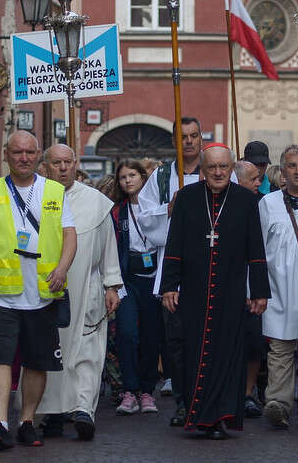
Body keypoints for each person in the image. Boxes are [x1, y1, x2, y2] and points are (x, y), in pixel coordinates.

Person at [0, 131, 76, 450]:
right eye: (17, 152)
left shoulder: (54, 190)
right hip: (0, 292)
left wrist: (63, 268)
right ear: (6, 155)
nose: (23, 157)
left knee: (37, 361)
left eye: (29, 152)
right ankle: (0, 423)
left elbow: (69, 235)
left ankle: (26, 420)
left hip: (41, 292)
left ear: (38, 155)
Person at [160, 143, 270, 439]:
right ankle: (197, 413)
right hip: (194, 290)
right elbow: (174, 245)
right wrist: (169, 285)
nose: (218, 172)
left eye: (224, 167)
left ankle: (220, 415)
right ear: (203, 171)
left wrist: (260, 291)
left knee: (228, 353)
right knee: (195, 352)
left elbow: (256, 249)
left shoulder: (247, 200)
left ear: (231, 168)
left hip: (231, 289)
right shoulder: (186, 198)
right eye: (212, 168)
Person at [36, 144, 122, 440]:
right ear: (44, 165)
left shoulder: (96, 202)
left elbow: (109, 247)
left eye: (68, 162)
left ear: (76, 164)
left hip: (88, 287)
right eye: (56, 162)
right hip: (47, 291)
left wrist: (112, 285)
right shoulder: (36, 197)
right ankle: (54, 413)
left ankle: (84, 408)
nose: (63, 168)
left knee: (88, 352)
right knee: (53, 353)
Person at [135, 116, 212, 425]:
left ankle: (208, 397)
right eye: (184, 137)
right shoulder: (164, 177)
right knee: (177, 343)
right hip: (175, 272)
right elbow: (144, 216)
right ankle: (183, 401)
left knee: (207, 340)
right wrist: (168, 209)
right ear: (174, 142)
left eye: (194, 135)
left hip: (209, 268)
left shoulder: (215, 171)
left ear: (201, 139)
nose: (189, 141)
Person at [258, 145, 298, 429]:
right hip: (279, 288)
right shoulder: (268, 204)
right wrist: (257, 289)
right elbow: (258, 248)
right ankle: (279, 403)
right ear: (282, 171)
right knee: (280, 350)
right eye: (292, 166)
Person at [112, 160, 163, 416]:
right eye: (122, 177)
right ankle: (129, 389)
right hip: (127, 277)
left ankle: (147, 391)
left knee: (151, 337)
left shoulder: (156, 207)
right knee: (128, 333)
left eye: (132, 175)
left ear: (143, 178)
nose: (128, 181)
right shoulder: (116, 211)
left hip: (154, 277)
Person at [233, 158, 269, 417]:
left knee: (255, 344)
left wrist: (256, 290)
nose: (259, 182)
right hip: (229, 287)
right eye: (253, 179)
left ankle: (247, 393)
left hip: (252, 286)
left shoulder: (260, 206)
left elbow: (260, 251)